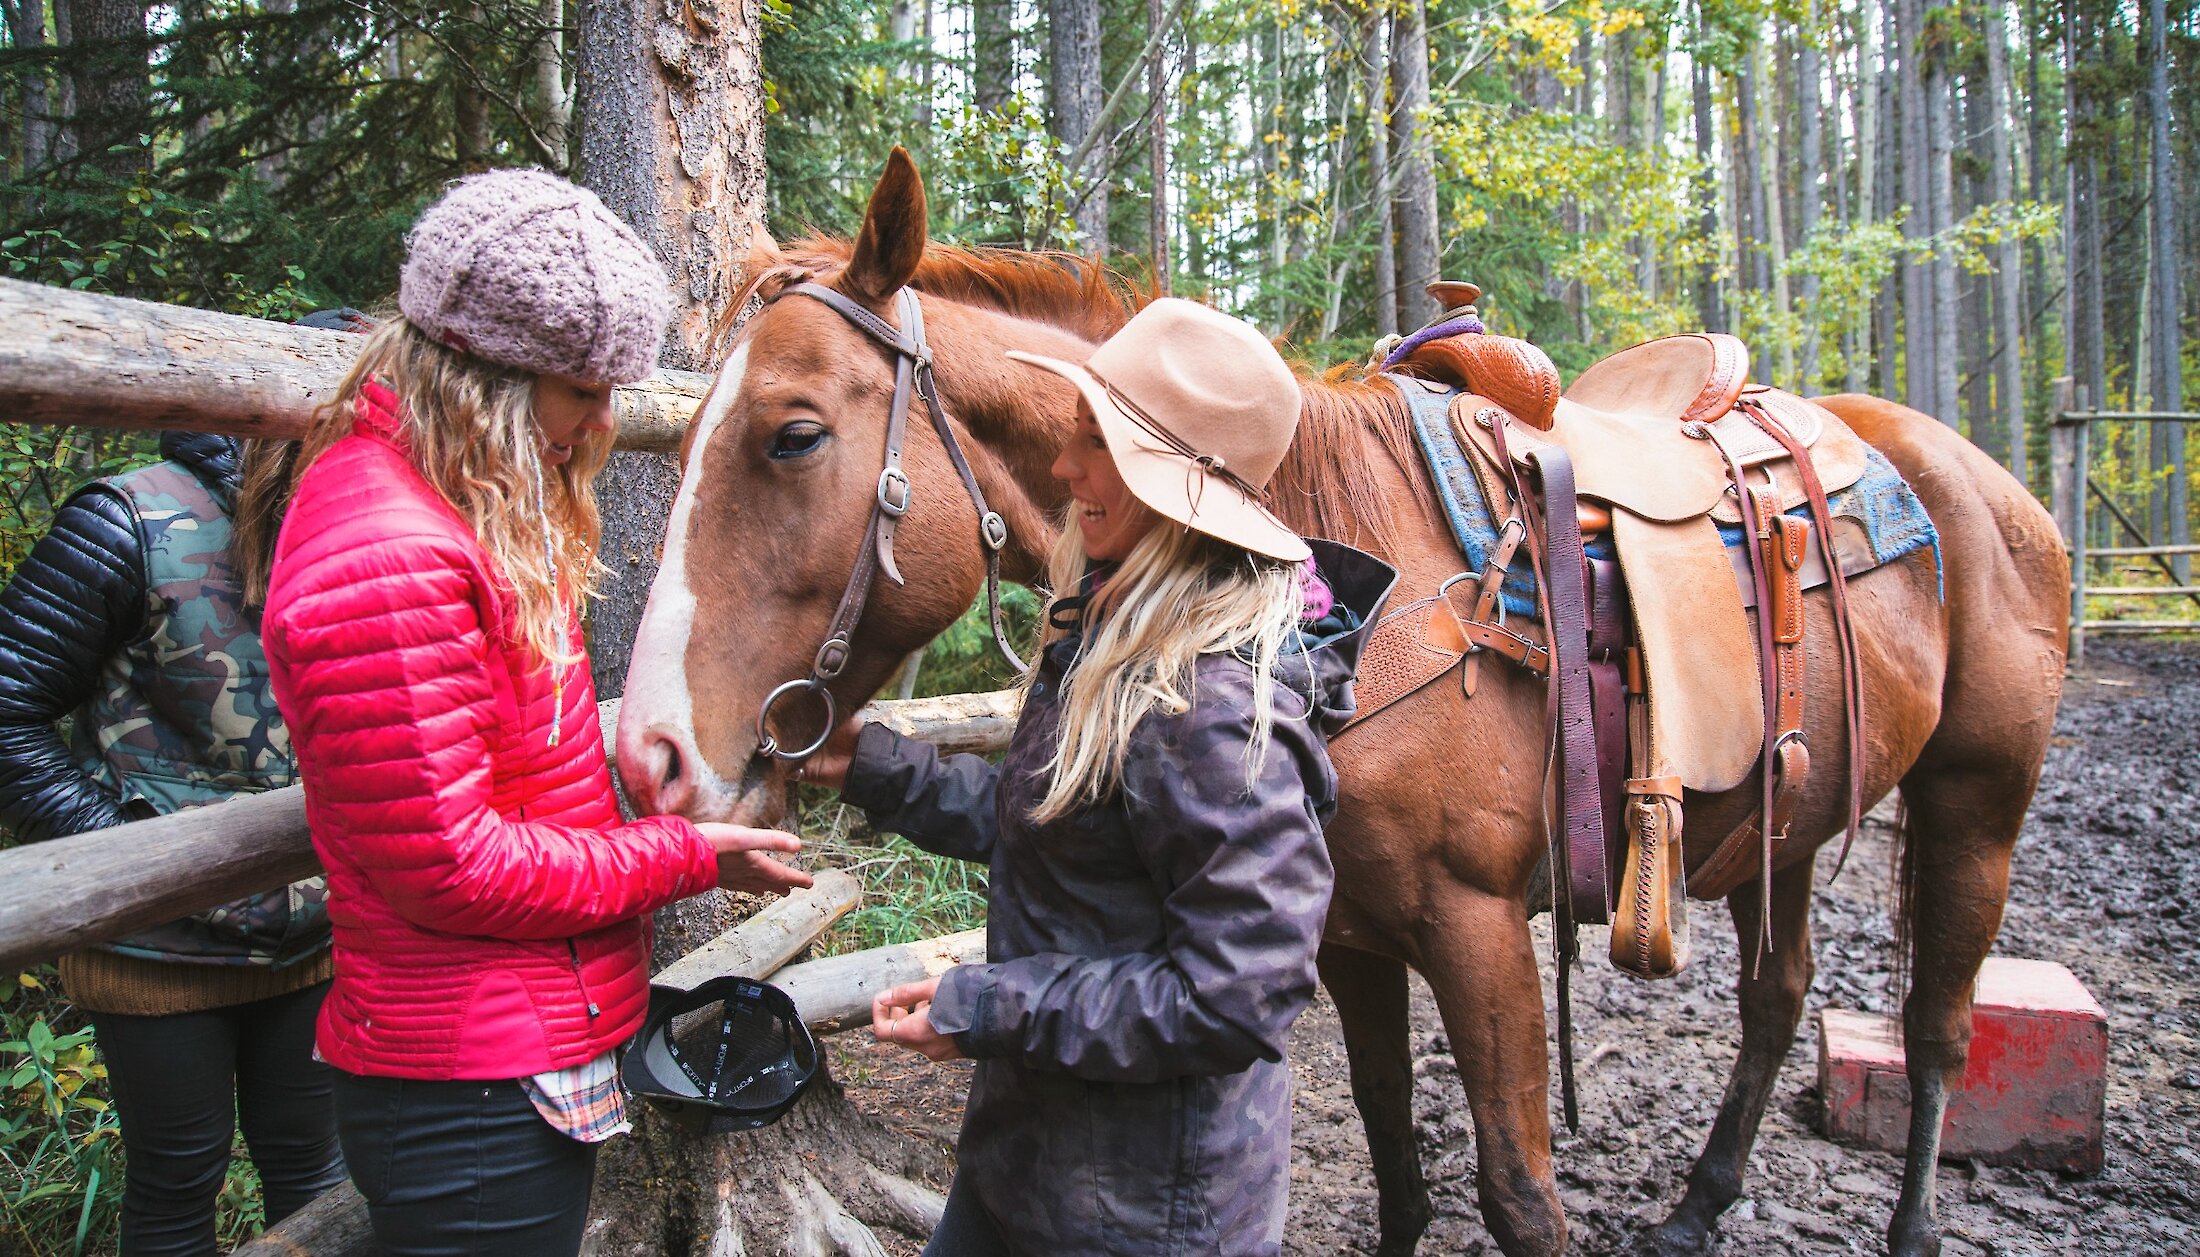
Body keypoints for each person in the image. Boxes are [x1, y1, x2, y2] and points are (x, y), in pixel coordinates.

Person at [251, 169, 812, 1257]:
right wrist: (681, 857)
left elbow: (471, 756)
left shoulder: (453, 505)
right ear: (485, 379)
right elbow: (450, 866)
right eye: (582, 389)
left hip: (502, 1057)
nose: (605, 420)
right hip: (469, 1090)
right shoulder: (392, 556)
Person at [805, 298, 1393, 1257]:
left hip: (1143, 1211)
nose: (1064, 467)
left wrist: (989, 1007)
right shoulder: (1113, 632)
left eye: (1097, 444)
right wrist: (872, 766)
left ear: (1175, 490)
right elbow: (1056, 828)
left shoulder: (1209, 702)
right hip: (1034, 1160)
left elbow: (1237, 994)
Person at [0, 315, 364, 1255]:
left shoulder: (362, 525)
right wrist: (122, 849)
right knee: (175, 1181)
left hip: (313, 937)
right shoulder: (127, 519)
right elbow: (6, 707)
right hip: (156, 952)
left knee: (316, 1173)